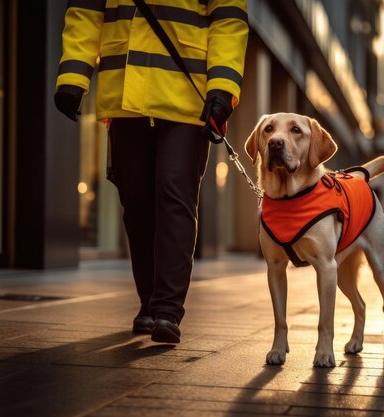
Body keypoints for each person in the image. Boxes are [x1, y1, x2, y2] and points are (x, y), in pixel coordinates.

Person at [54, 1, 248, 343]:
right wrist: (73, 75)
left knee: (174, 195)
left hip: (187, 97)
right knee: (137, 199)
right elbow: (85, 10)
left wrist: (222, 88)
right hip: (124, 95)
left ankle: (167, 310)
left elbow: (228, 20)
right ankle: (148, 302)